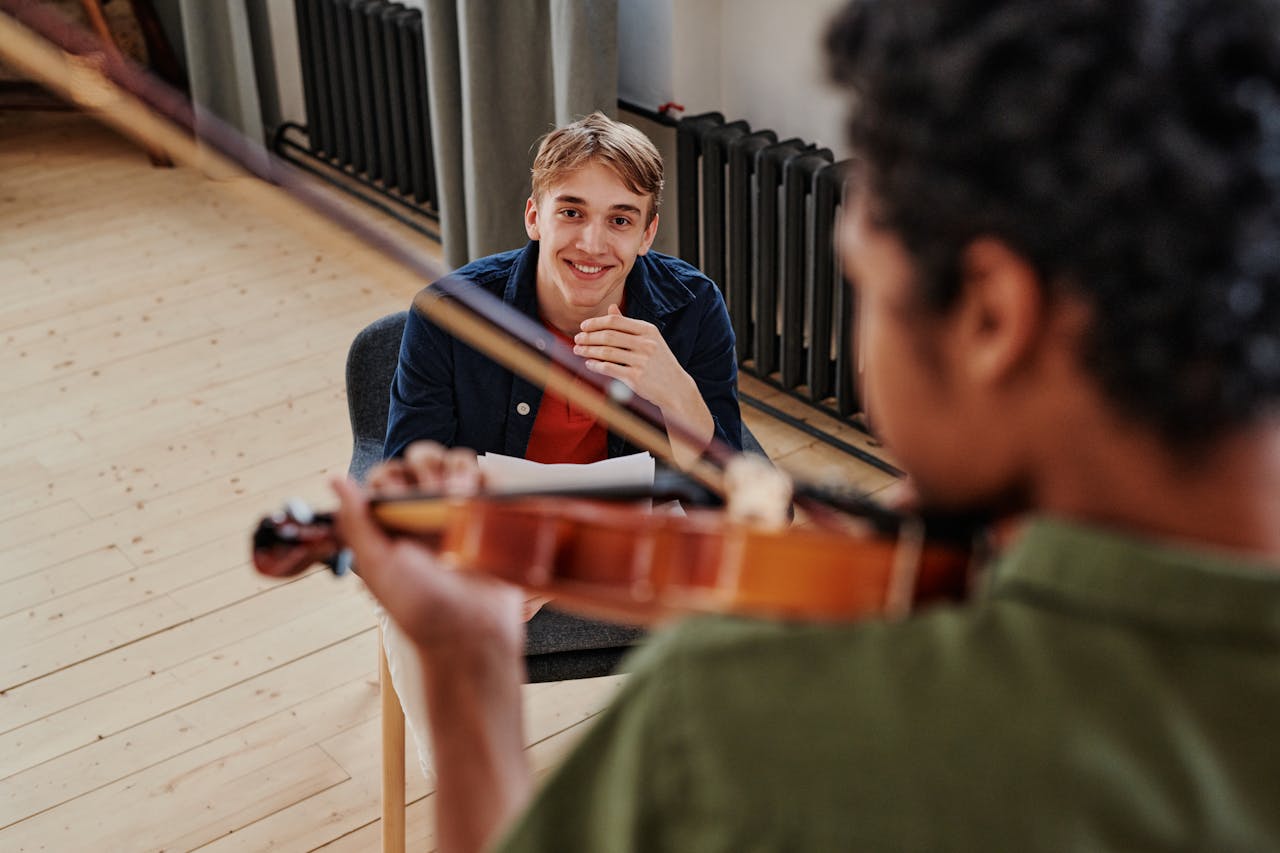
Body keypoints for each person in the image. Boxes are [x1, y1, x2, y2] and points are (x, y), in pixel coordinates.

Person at [333, 0, 1280, 850]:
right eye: (571, 213)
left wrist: (465, 690)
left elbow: (730, 479)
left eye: (863, 279)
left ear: (992, 316)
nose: (593, 240)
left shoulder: (738, 719)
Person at [383, 111, 742, 471]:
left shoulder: (696, 307)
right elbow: (408, 493)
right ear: (534, 218)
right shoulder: (446, 313)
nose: (592, 244)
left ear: (646, 235)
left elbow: (734, 499)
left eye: (620, 221)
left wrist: (677, 393)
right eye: (572, 212)